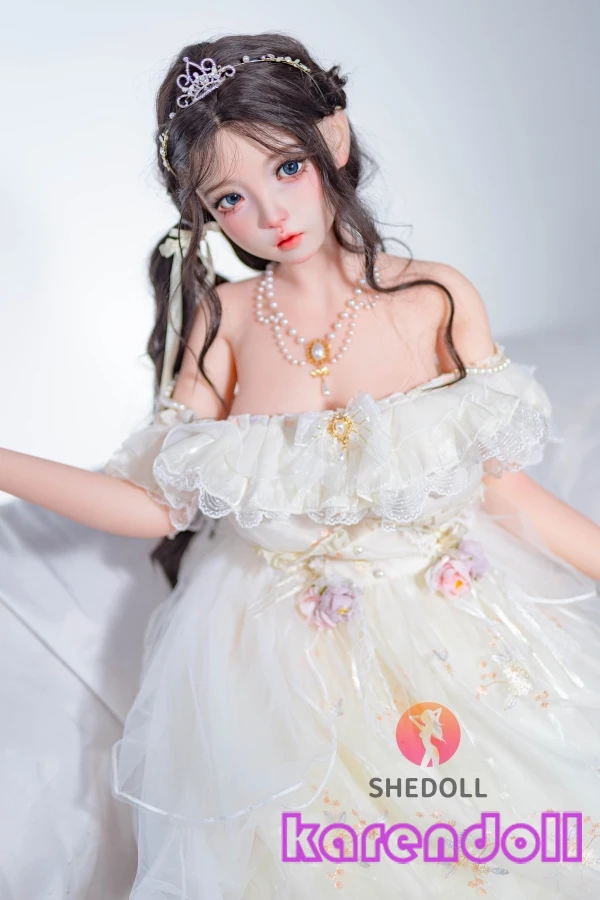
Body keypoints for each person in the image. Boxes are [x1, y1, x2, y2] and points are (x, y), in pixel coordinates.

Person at [2, 30, 600, 899]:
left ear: (335, 139)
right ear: (205, 214)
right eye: (231, 198)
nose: (272, 213)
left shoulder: (432, 297)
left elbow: (507, 492)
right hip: (283, 666)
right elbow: (156, 506)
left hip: (453, 632)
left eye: (287, 168)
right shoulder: (226, 320)